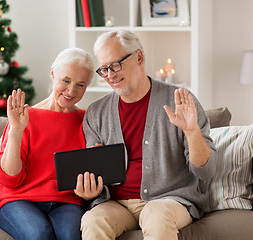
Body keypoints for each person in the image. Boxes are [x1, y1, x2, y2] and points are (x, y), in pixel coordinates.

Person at [74, 30, 217, 240]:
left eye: (115, 65)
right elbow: (97, 179)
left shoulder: (180, 101)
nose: (111, 75)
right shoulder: (96, 113)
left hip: (170, 200)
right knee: (92, 220)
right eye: (104, 69)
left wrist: (192, 131)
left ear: (139, 57)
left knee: (155, 214)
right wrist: (91, 190)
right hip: (117, 204)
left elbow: (206, 171)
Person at [0, 48, 94, 240]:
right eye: (66, 80)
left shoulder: (88, 121)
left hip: (67, 201)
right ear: (53, 74)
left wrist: (90, 190)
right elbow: (8, 179)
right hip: (18, 200)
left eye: (81, 84)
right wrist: (16, 131)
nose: (71, 90)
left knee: (71, 236)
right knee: (39, 234)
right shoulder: (24, 118)